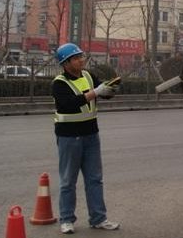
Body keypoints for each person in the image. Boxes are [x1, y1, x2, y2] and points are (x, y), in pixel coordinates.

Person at [52, 43, 120, 234]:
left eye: (81, 56)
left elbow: (102, 93)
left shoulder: (89, 76)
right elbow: (69, 105)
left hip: (91, 135)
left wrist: (109, 90)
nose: (81, 60)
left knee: (95, 179)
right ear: (66, 63)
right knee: (68, 181)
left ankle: (98, 218)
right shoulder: (59, 83)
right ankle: (66, 219)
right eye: (76, 58)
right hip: (69, 137)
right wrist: (96, 92)